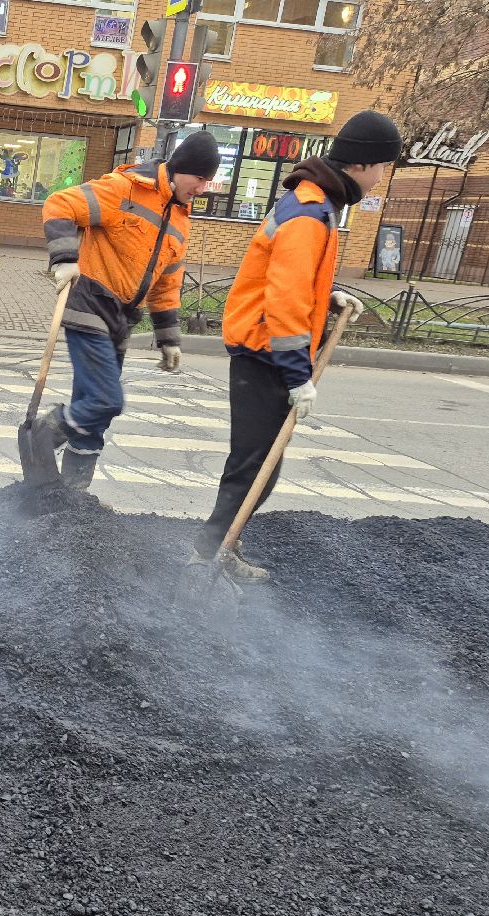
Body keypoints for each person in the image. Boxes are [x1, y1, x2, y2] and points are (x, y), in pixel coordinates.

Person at [189, 110, 402, 582]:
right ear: (364, 165)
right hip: (264, 352)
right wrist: (297, 376)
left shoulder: (311, 203)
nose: (381, 177)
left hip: (262, 347)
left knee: (259, 465)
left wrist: (327, 298)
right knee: (253, 467)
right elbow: (283, 302)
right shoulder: (310, 214)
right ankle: (207, 556)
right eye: (382, 167)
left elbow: (290, 278)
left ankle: (218, 547)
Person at [31, 131, 220, 492]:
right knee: (106, 399)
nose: (202, 188)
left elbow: (167, 284)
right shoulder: (126, 190)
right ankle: (46, 432)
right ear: (181, 170)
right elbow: (60, 204)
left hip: (121, 319)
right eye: (199, 179)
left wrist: (168, 339)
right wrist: (65, 259)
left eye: (207, 182)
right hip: (90, 306)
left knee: (96, 412)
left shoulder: (180, 220)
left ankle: (72, 496)